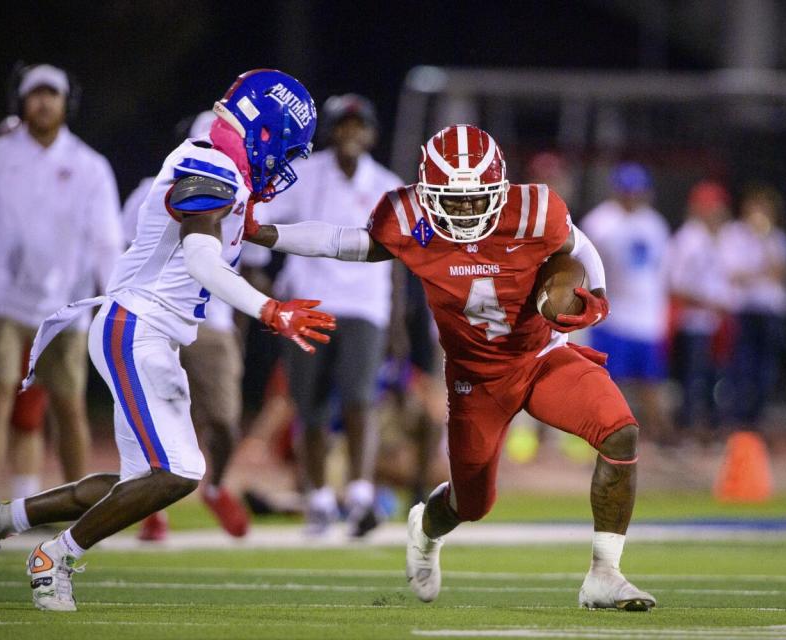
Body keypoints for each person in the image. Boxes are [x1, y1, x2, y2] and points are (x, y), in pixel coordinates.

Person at [0, 69, 335, 610]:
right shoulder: (208, 162)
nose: (285, 162)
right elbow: (202, 258)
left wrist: (373, 244)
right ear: (265, 133)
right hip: (136, 326)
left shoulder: (226, 171)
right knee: (181, 470)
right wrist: (270, 308)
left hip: (149, 330)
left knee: (138, 483)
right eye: (286, 147)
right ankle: (54, 556)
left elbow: (281, 235)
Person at [246, 124, 655, 610]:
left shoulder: (535, 209)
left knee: (620, 432)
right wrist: (262, 232)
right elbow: (344, 241)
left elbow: (580, 250)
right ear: (427, 193)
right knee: (473, 502)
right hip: (475, 378)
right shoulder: (406, 217)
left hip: (541, 356)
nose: (463, 209)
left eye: (475, 198)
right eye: (451, 199)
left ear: (500, 189)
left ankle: (604, 574)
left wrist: (591, 303)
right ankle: (426, 528)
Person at [0, 64, 123, 496]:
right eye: (36, 94)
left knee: (69, 406)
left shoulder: (89, 166)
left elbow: (107, 240)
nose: (44, 103)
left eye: (52, 94)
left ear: (68, 102)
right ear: (22, 101)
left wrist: (118, 298)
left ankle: (79, 510)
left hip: (65, 303)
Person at [255, 94, 402, 536]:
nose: (351, 133)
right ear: (331, 130)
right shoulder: (303, 175)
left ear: (372, 133)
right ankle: (318, 498)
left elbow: (398, 261)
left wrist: (396, 325)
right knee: (310, 406)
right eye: (343, 124)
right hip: (309, 303)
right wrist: (259, 278)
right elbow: (256, 220)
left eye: (359, 125)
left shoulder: (388, 185)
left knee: (360, 398)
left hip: (364, 306)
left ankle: (359, 495)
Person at [122, 111, 249, 540]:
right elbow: (127, 254)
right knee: (162, 421)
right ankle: (150, 509)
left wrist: (243, 324)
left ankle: (215, 487)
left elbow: (247, 265)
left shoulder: (242, 191)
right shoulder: (151, 190)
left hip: (212, 323)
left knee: (225, 421)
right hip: (160, 319)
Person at [579, 163, 674, 444]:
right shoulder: (600, 223)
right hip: (613, 316)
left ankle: (662, 440)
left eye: (637, 191)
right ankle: (602, 435)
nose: (632, 197)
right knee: (607, 383)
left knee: (651, 383)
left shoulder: (655, 223)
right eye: (627, 191)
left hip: (646, 318)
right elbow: (583, 267)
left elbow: (661, 271)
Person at [719, 184, 786, 430]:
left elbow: (781, 272)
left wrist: (764, 241)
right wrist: (761, 272)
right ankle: (735, 419)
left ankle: (755, 420)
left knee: (766, 370)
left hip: (771, 311)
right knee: (741, 366)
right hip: (744, 310)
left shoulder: (777, 237)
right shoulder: (734, 233)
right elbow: (733, 274)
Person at [667, 180, 733, 436]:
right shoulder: (688, 239)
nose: (717, 212)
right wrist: (710, 304)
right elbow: (676, 287)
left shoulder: (714, 237)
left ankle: (703, 429)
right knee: (690, 382)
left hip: (711, 322)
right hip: (692, 322)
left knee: (709, 380)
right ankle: (685, 431)